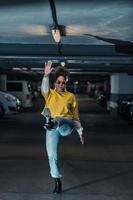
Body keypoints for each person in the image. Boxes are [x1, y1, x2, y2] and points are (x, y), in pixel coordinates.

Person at [41, 60, 84, 194]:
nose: (60, 84)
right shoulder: (50, 94)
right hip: (53, 129)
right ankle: (57, 181)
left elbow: (76, 116)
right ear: (55, 83)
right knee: (52, 155)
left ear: (66, 83)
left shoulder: (71, 96)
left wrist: (80, 131)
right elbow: (44, 88)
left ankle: (51, 120)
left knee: (58, 118)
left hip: (67, 125)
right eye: (58, 82)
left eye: (63, 82)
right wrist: (46, 76)